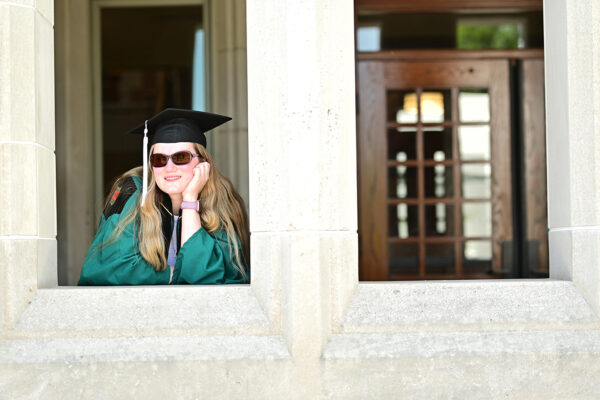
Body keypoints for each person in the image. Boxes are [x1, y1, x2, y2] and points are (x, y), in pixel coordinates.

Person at [78, 109, 249, 285]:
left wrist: (190, 201)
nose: (169, 167)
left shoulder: (220, 200)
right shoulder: (132, 192)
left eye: (181, 157)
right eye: (159, 159)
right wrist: (175, 274)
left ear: (202, 162)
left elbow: (209, 279)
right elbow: (104, 270)